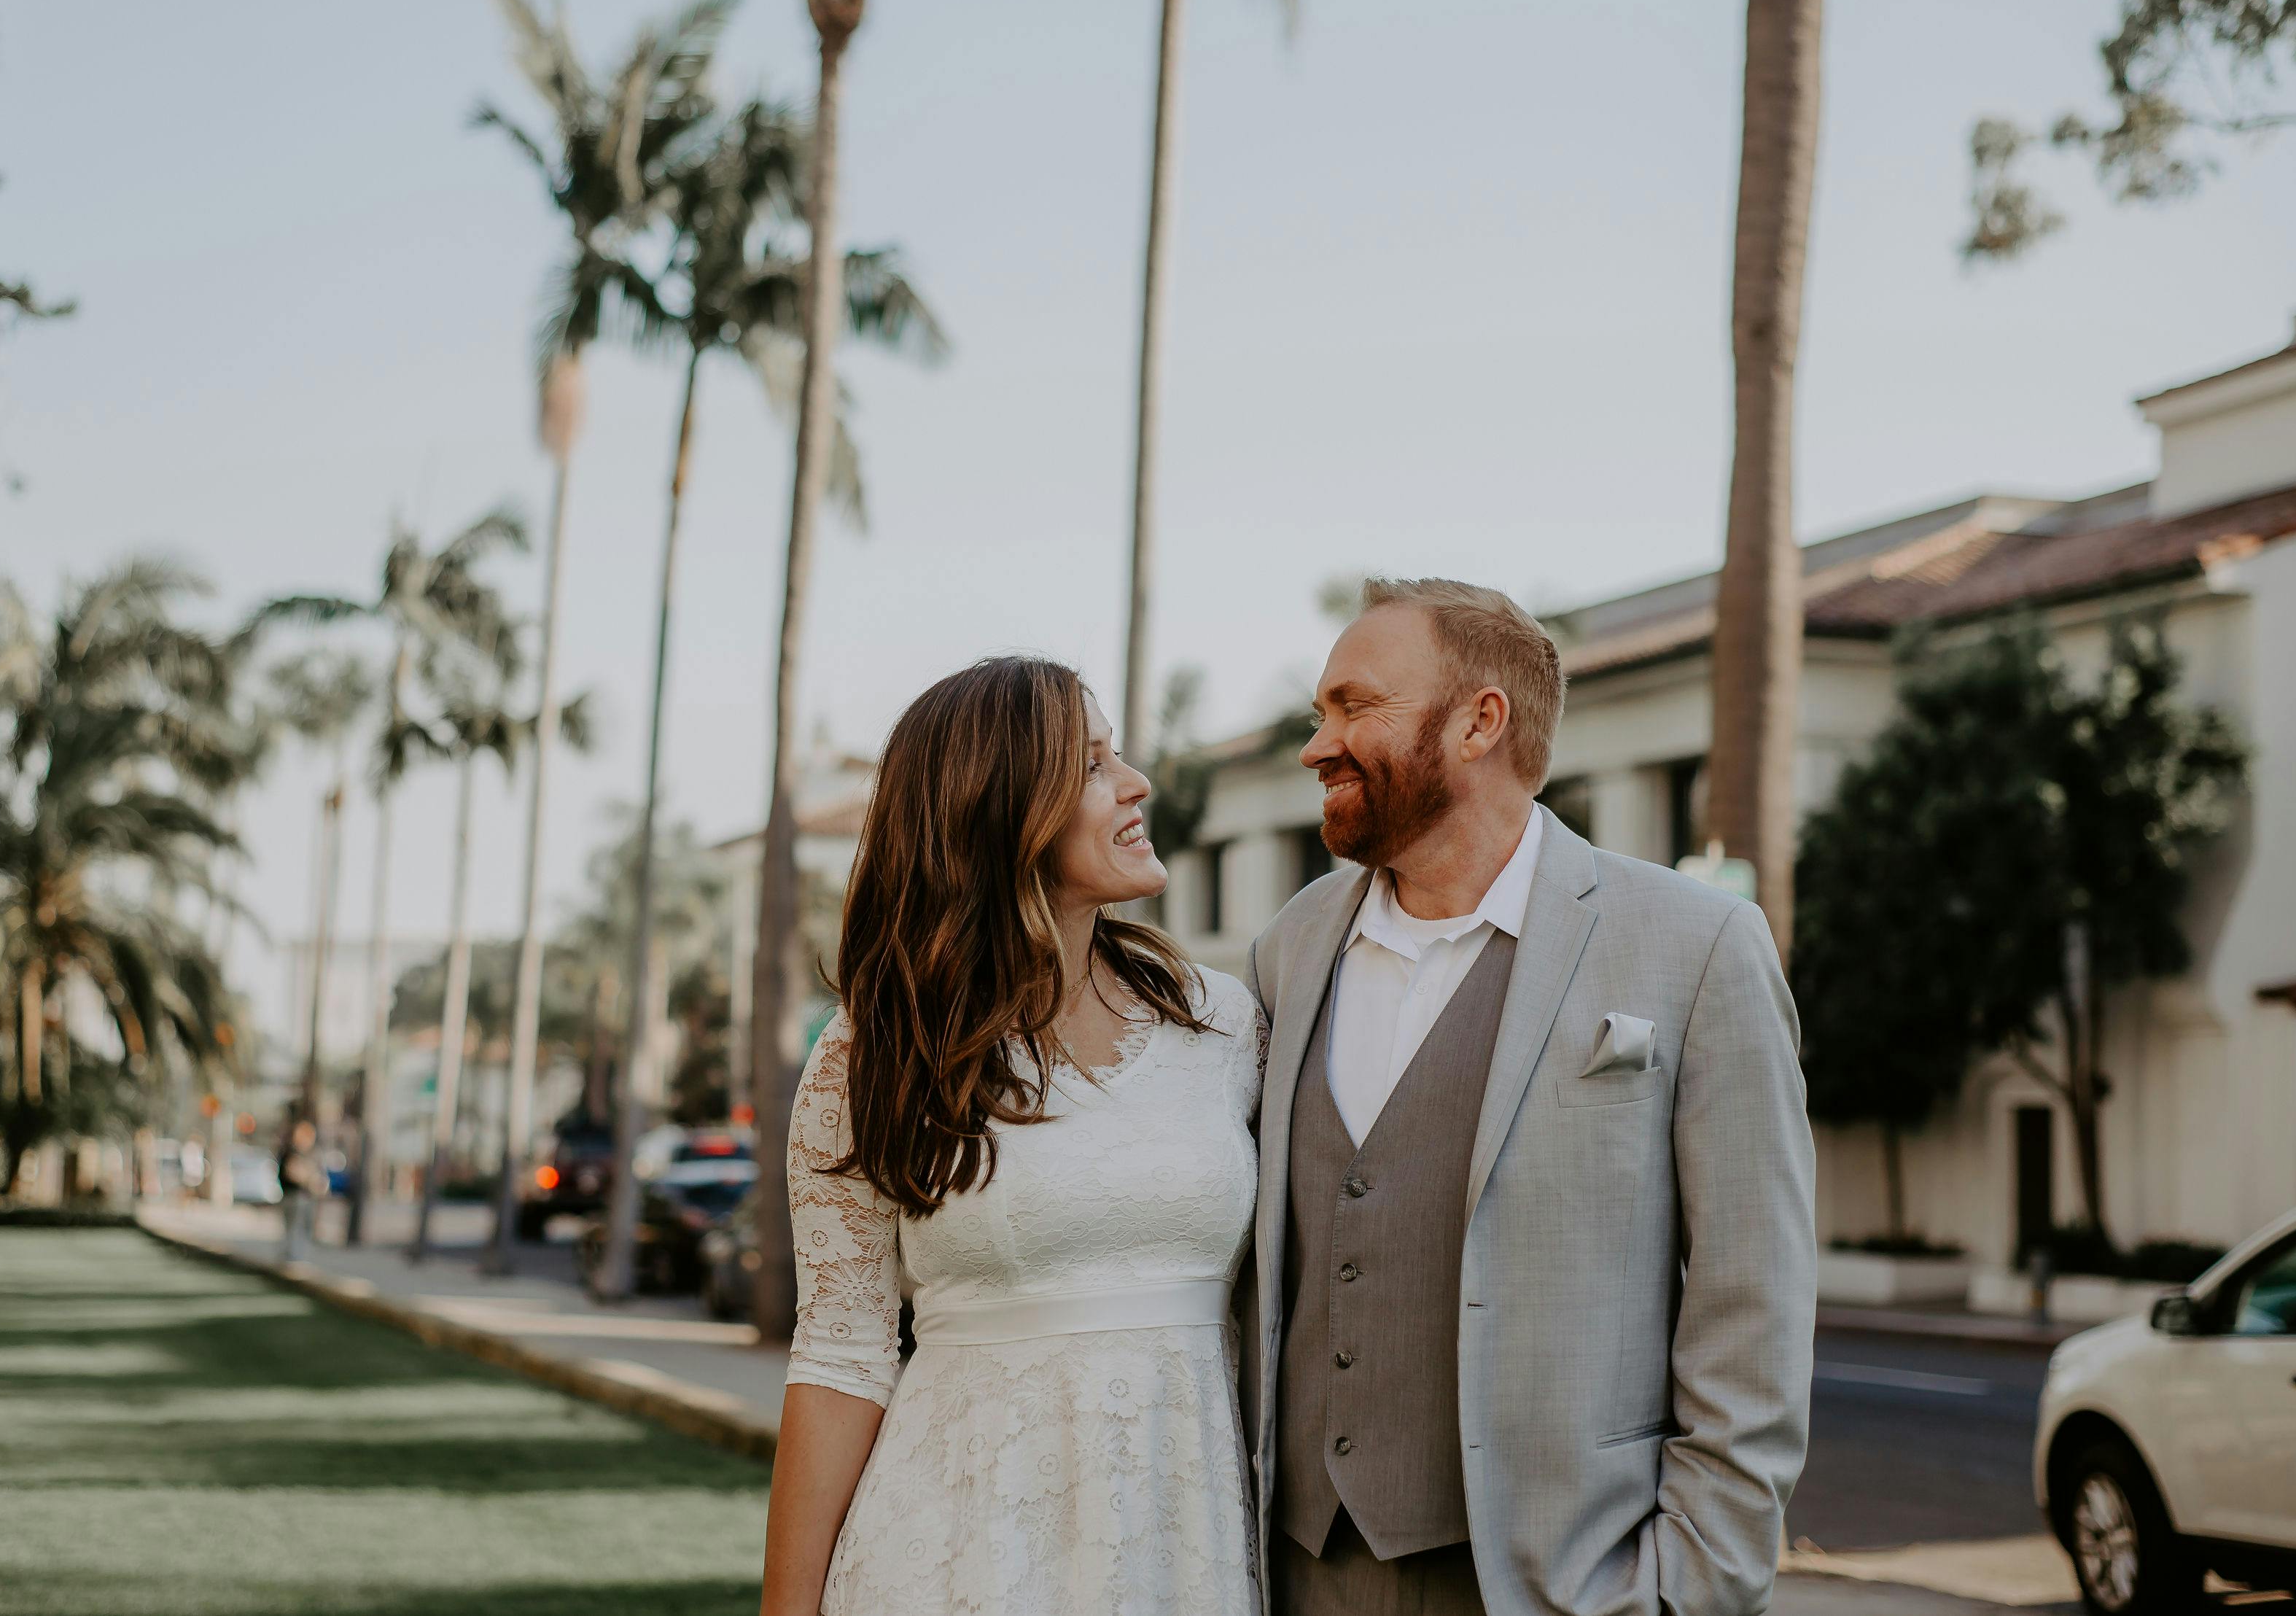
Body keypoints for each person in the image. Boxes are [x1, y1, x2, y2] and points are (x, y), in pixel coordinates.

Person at [1242, 578, 1815, 1616]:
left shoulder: (1695, 946)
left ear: (1478, 721)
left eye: (1353, 705)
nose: (1317, 744)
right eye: (1318, 713)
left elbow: (1755, 1302)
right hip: (1299, 1571)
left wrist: (1692, 1586)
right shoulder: (1288, 949)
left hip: (1559, 1576)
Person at [760, 656, 1266, 1616]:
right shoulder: (877, 1047)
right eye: (1091, 762)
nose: (1136, 782)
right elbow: (839, 1353)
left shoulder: (1227, 1026)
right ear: (1000, 810)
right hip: (947, 1557)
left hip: (1185, 1550)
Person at [279, 1119, 325, 1264]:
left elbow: (319, 1175)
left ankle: (300, 1257)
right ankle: (292, 1257)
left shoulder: (313, 1153)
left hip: (308, 1196)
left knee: (306, 1227)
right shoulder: (292, 1151)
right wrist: (307, 1178)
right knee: (293, 1227)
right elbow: (291, 1173)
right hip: (294, 1196)